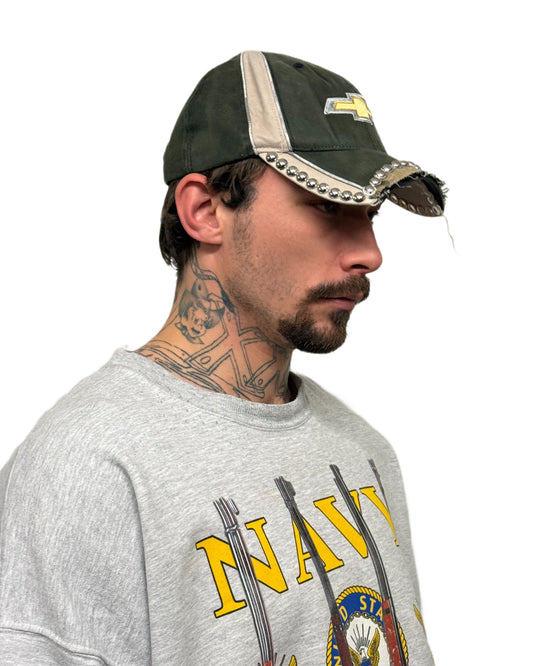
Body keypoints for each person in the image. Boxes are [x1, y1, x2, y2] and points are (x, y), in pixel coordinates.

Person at [0, 51, 446, 665]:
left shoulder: (363, 450)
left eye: (368, 216)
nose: (370, 254)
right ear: (205, 211)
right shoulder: (90, 468)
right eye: (327, 206)